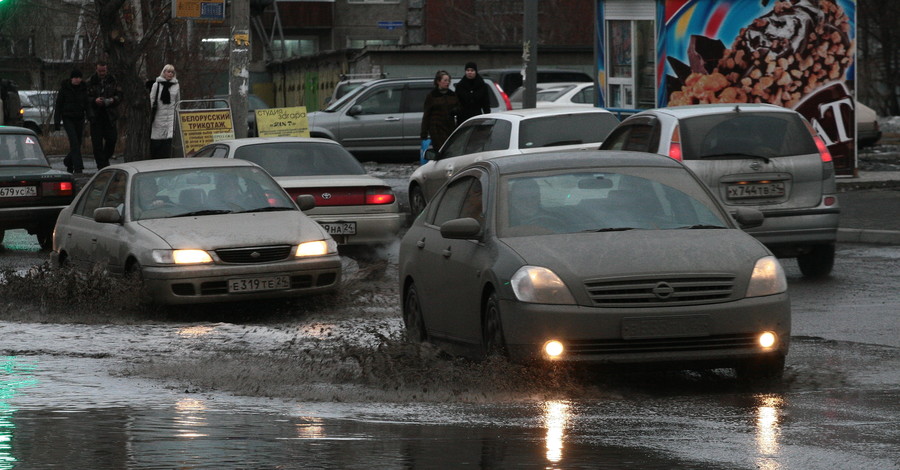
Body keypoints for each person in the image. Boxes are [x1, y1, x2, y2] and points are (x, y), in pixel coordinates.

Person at [86, 61, 123, 170]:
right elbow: (85, 97)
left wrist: (111, 100)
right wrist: (94, 100)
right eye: (100, 71)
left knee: (112, 140)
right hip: (95, 116)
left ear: (107, 70)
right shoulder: (90, 81)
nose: (102, 73)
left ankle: (104, 160)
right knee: (97, 144)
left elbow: (120, 95)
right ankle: (101, 166)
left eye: (104, 71)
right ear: (96, 70)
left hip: (110, 115)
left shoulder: (113, 80)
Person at [53, 69, 91, 174]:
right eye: (75, 78)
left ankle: (68, 161)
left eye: (79, 77)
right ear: (71, 78)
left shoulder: (83, 89)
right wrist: (57, 121)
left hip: (79, 118)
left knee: (77, 143)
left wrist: (90, 115)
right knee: (74, 142)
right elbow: (58, 106)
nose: (77, 80)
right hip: (68, 118)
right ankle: (78, 167)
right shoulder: (64, 89)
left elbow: (87, 104)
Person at [420, 70, 460, 151]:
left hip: (449, 127)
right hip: (436, 129)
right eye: (445, 80)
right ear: (438, 81)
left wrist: (455, 110)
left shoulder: (452, 95)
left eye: (449, 81)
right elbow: (426, 115)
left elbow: (459, 107)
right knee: (440, 150)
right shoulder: (432, 96)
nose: (447, 83)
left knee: (449, 149)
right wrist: (424, 133)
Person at [149, 64, 181, 159]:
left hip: (171, 118)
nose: (170, 74)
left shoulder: (176, 86)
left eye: (172, 72)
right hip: (158, 117)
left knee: (168, 143)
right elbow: (152, 99)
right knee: (157, 142)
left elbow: (178, 102)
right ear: (164, 72)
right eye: (168, 72)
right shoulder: (156, 85)